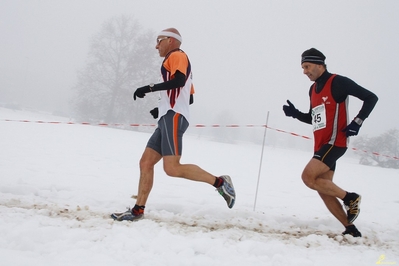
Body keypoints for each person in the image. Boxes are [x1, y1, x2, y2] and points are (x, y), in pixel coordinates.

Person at [111, 28, 236, 221]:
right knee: (145, 163)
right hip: (167, 116)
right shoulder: (176, 61)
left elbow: (178, 81)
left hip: (174, 117)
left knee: (172, 168)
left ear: (170, 40)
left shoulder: (177, 55)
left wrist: (150, 88)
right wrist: (160, 107)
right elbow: (189, 97)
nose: (156, 46)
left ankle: (220, 182)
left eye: (159, 41)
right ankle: (138, 210)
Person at [283, 48, 378, 237]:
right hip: (321, 145)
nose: (305, 71)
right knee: (322, 187)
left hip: (336, 142)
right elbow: (313, 118)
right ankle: (350, 229)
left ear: (319, 64)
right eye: (303, 68)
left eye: (307, 66)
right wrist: (295, 114)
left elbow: (371, 98)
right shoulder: (313, 89)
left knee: (308, 178)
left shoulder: (338, 82)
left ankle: (350, 198)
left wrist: (357, 122)